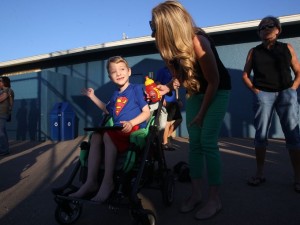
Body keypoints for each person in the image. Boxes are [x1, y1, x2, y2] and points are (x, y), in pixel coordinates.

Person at [150, 1, 231, 220]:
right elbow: (180, 76)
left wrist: (201, 113)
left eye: (155, 25)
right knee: (194, 144)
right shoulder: (167, 48)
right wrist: (168, 86)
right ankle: (196, 194)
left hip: (217, 90)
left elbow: (213, 81)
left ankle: (214, 199)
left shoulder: (198, 41)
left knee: (207, 141)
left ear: (169, 25)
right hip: (196, 92)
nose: (152, 29)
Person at [69, 56, 150, 202]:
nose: (118, 73)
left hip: (134, 128)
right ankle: (91, 181)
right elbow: (107, 110)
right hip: (118, 130)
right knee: (96, 136)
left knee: (107, 135)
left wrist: (131, 123)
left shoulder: (136, 89)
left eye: (122, 69)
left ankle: (108, 182)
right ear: (110, 77)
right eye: (114, 71)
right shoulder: (114, 95)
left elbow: (146, 112)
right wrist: (92, 96)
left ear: (129, 71)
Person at [242, 16, 300, 193]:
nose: (266, 28)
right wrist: (256, 91)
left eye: (270, 25)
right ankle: (259, 173)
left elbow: (298, 71)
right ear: (259, 32)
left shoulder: (286, 48)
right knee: (260, 135)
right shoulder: (254, 51)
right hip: (263, 95)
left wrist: (293, 89)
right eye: (262, 27)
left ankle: (298, 177)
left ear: (278, 30)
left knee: (293, 135)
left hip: (286, 93)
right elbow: (245, 74)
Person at [155, 66, 182, 151]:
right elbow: (157, 84)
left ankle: (167, 136)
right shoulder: (162, 70)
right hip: (166, 100)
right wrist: (161, 97)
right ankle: (165, 143)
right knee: (168, 122)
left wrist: (178, 99)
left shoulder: (175, 70)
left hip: (174, 101)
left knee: (179, 119)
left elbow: (176, 87)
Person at [0, 76, 14, 156]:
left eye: (0, 81)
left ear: (4, 82)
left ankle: (4, 150)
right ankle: (5, 149)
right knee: (2, 132)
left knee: (1, 133)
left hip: (2, 114)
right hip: (1, 114)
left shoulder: (8, 90)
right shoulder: (2, 91)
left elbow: (1, 99)